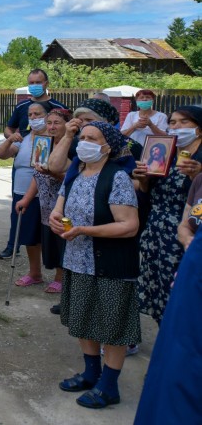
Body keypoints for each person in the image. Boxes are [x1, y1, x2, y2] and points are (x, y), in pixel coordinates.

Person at [49, 121, 140, 410]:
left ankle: (109, 386)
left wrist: (85, 230)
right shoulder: (75, 174)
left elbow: (129, 226)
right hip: (77, 261)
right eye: (82, 137)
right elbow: (59, 206)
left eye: (92, 138)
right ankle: (91, 373)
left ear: (107, 147)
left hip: (110, 264)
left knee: (113, 327)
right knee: (83, 318)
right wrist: (55, 217)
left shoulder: (117, 177)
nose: (83, 142)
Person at [134, 174, 202, 423]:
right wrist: (187, 239)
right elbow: (188, 223)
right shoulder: (200, 180)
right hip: (192, 274)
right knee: (175, 365)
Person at [134, 106, 202, 325]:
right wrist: (142, 178)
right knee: (159, 291)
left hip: (187, 235)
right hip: (157, 231)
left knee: (183, 294)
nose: (177, 127)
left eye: (184, 122)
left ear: (199, 129)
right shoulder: (165, 151)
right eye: (172, 122)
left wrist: (197, 176)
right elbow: (148, 193)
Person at [16, 108, 72, 299]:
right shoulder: (44, 143)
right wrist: (26, 198)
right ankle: (39, 274)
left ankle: (61, 276)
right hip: (45, 201)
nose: (52, 127)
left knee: (61, 239)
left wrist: (53, 173)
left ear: (67, 124)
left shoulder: (72, 147)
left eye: (57, 123)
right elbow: (37, 175)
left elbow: (73, 178)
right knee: (48, 237)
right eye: (49, 123)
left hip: (65, 201)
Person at [0, 103, 49, 285]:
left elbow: (40, 170)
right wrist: (10, 139)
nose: (34, 117)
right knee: (29, 236)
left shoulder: (50, 138)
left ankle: (59, 276)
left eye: (38, 113)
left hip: (41, 194)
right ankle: (35, 273)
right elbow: (1, 155)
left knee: (47, 235)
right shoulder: (25, 137)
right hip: (21, 192)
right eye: (30, 114)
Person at [5, 69, 68, 136]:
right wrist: (13, 136)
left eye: (38, 82)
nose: (34, 85)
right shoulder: (21, 106)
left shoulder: (59, 108)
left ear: (46, 84)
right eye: (31, 83)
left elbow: (69, 131)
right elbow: (8, 129)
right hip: (24, 144)